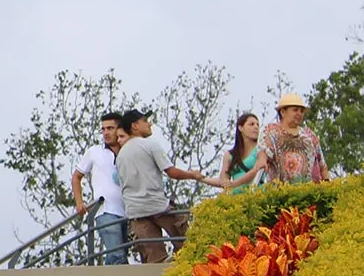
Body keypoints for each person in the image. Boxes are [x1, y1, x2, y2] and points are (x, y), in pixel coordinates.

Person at [115, 108, 217, 263]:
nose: (149, 124)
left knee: (154, 259)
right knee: (187, 243)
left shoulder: (121, 155)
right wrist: (192, 175)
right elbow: (171, 172)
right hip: (157, 205)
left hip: (135, 212)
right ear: (135, 126)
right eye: (145, 121)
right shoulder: (150, 145)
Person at [70, 112, 129, 264]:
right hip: (105, 210)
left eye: (110, 128)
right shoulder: (94, 151)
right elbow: (76, 176)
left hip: (129, 210)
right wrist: (79, 202)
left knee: (122, 256)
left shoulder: (129, 150)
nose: (106, 133)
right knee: (116, 255)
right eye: (103, 129)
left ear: (119, 128)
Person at [258, 93, 329, 186]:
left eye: (302, 111)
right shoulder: (271, 132)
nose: (299, 113)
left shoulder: (309, 135)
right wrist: (262, 160)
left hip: (311, 194)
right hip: (280, 193)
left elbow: (322, 165)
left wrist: (328, 186)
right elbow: (263, 152)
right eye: (295, 110)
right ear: (283, 112)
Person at [207, 112, 268, 194]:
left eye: (257, 124)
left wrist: (233, 184)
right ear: (240, 128)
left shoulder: (261, 150)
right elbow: (223, 180)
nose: (256, 127)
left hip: (255, 194)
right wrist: (200, 178)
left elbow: (256, 170)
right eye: (251, 124)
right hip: (236, 198)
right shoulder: (230, 155)